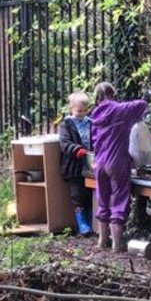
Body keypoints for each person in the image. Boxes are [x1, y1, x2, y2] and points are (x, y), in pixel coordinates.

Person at [88, 82, 149, 252]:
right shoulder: (121, 109)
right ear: (114, 94)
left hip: (99, 162)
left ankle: (102, 241)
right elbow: (143, 104)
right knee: (119, 200)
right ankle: (117, 244)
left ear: (97, 98)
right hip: (117, 162)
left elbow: (93, 141)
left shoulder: (95, 115)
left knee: (103, 200)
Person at [56, 92, 94, 236]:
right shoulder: (66, 124)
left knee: (89, 193)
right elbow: (64, 143)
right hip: (74, 166)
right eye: (79, 111)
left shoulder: (90, 123)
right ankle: (82, 223)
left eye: (85, 110)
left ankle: (91, 221)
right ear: (71, 109)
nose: (82, 114)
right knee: (77, 194)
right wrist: (76, 149)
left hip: (89, 163)